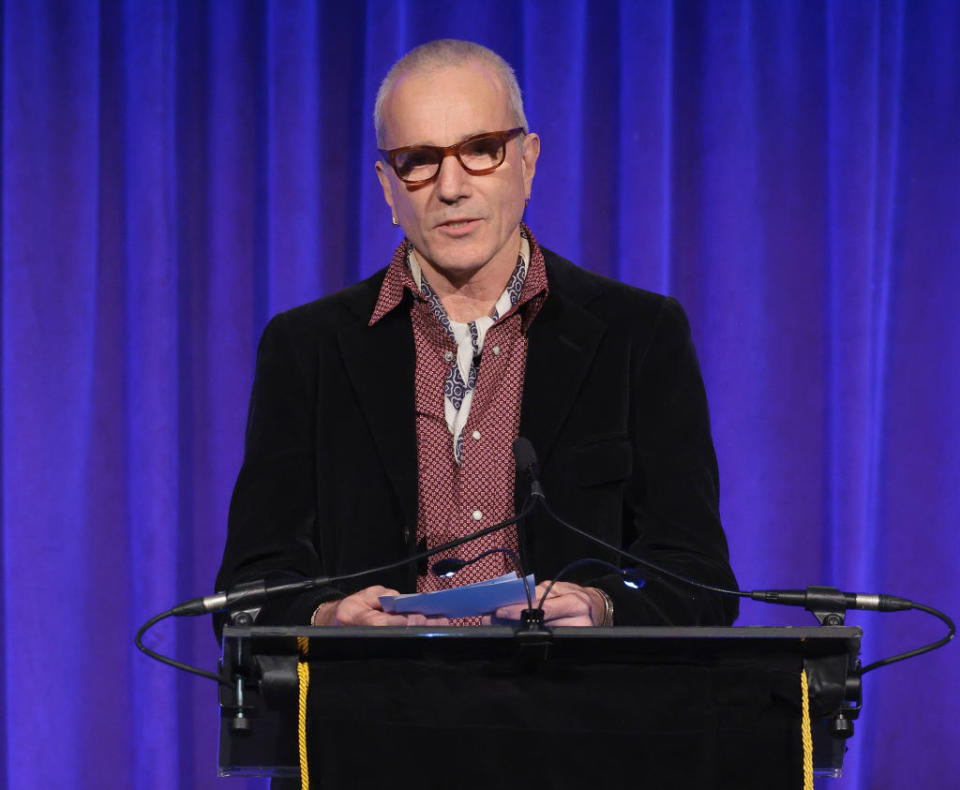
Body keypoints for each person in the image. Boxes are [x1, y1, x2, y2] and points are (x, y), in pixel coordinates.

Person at [215, 39, 738, 633]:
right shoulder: (306, 348)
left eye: (481, 150)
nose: (452, 186)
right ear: (388, 185)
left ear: (528, 162)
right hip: (373, 708)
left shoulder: (639, 336)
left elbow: (699, 580)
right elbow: (249, 591)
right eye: (420, 160)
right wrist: (326, 615)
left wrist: (603, 605)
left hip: (570, 709)